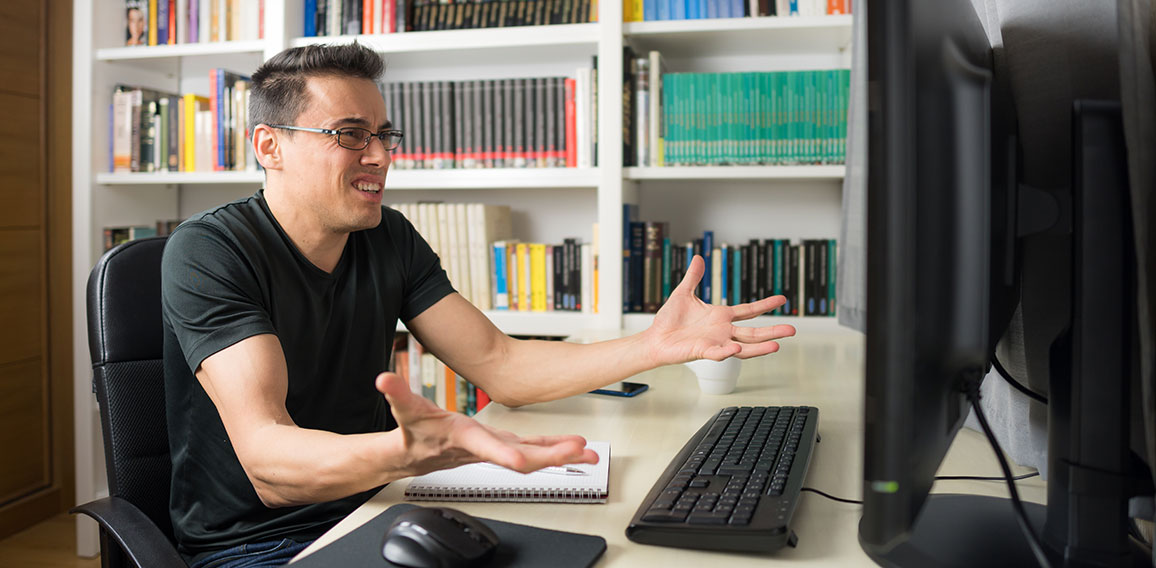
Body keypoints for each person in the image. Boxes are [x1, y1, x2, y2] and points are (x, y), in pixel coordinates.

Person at [161, 42, 796, 568]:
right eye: (350, 135)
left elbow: (501, 365)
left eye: (385, 134)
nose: (380, 157)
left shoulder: (387, 237)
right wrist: (410, 453)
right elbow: (271, 465)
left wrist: (654, 347)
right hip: (257, 545)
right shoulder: (208, 252)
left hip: (375, 507)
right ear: (268, 145)